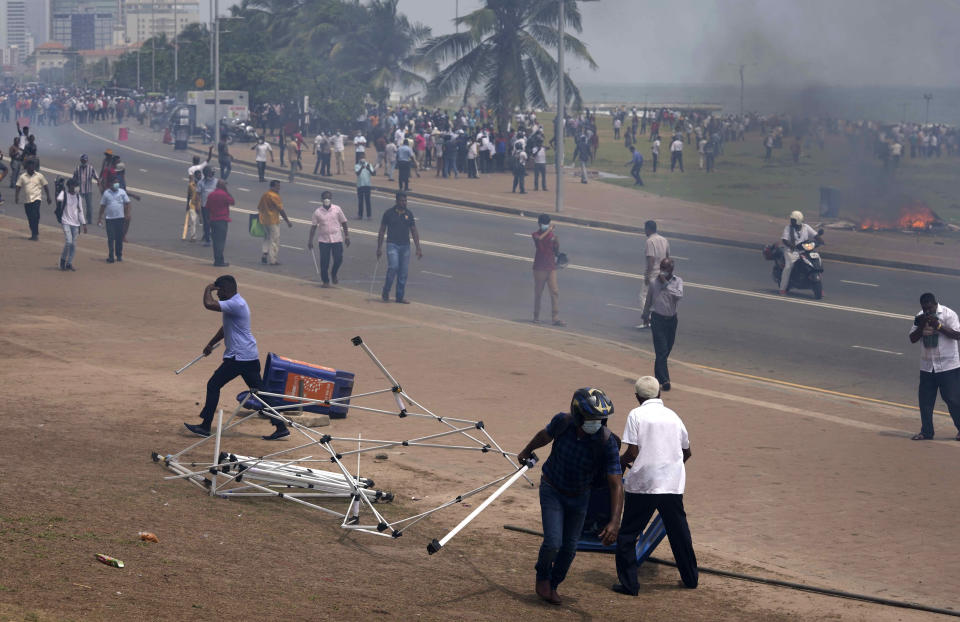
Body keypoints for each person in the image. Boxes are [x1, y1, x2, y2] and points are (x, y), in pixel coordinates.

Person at [516, 388, 623, 606]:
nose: (597, 423)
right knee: (554, 541)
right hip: (552, 489)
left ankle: (554, 584)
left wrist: (614, 521)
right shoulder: (562, 422)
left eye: (600, 420)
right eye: (592, 419)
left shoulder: (607, 441)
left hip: (580, 496)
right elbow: (544, 436)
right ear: (578, 415)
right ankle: (542, 575)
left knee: (570, 548)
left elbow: (616, 483)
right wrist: (526, 451)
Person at [613, 376, 697, 596]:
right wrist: (671, 469)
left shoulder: (636, 414)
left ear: (638, 397)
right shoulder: (673, 416)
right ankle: (690, 579)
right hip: (671, 486)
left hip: (644, 485)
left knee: (628, 535)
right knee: (679, 533)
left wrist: (619, 465)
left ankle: (629, 585)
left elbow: (632, 452)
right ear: (660, 394)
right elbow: (687, 451)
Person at [184, 276, 290, 441]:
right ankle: (281, 427)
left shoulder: (236, 303)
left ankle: (205, 426)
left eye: (219, 291)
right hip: (248, 356)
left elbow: (208, 304)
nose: (217, 295)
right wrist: (211, 344)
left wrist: (208, 288)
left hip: (239, 358)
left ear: (226, 289)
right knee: (261, 393)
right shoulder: (235, 304)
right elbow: (226, 327)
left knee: (213, 385)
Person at [909, 293, 960, 441]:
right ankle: (926, 432)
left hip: (948, 366)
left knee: (953, 399)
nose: (927, 312)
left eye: (929, 309)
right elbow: (912, 338)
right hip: (927, 366)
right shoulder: (920, 316)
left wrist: (938, 325)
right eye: (924, 309)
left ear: (935, 304)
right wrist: (922, 325)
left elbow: (957, 334)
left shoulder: (948, 314)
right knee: (925, 401)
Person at [641, 258, 683, 390]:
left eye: (665, 268)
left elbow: (679, 295)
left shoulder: (678, 281)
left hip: (671, 320)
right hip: (657, 319)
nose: (662, 271)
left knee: (666, 350)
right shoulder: (654, 283)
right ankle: (665, 381)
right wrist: (645, 314)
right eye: (661, 268)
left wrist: (666, 284)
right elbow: (648, 300)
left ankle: (658, 377)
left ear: (671, 270)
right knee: (662, 350)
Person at [376, 192, 422, 304]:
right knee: (393, 267)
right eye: (402, 201)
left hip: (405, 246)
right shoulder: (388, 213)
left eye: (405, 201)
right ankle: (386, 291)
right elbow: (382, 230)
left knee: (403, 272)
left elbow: (414, 231)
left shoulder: (409, 214)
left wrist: (418, 248)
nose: (404, 203)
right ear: (396, 201)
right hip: (392, 245)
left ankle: (399, 297)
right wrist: (379, 248)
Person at [307, 190, 350, 288]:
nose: (327, 200)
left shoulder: (337, 209)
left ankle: (334, 273)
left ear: (331, 199)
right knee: (324, 262)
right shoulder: (317, 212)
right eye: (325, 198)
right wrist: (310, 240)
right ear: (322, 199)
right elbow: (313, 227)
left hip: (337, 239)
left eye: (329, 198)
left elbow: (344, 222)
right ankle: (325, 281)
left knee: (338, 259)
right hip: (324, 240)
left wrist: (347, 236)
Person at [531, 214, 565, 326]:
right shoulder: (536, 234)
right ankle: (536, 317)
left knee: (554, 292)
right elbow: (540, 239)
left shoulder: (552, 235)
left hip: (551, 268)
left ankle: (555, 318)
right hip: (539, 268)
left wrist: (557, 242)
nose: (547, 226)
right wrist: (549, 230)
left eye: (548, 224)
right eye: (545, 224)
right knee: (538, 293)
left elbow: (556, 250)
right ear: (539, 224)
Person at [638, 220, 670, 329]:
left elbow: (651, 260)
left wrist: (647, 275)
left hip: (653, 274)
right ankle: (656, 320)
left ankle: (647, 320)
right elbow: (667, 258)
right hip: (662, 274)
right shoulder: (664, 240)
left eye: (645, 229)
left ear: (649, 229)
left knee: (644, 296)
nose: (644, 231)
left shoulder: (650, 241)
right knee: (657, 298)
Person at [779, 210, 819, 295]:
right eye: (791, 219)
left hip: (804, 250)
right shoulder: (788, 228)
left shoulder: (806, 227)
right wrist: (791, 246)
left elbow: (815, 235)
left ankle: (818, 287)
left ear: (798, 220)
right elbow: (784, 239)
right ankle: (782, 288)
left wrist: (821, 241)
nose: (791, 221)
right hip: (791, 251)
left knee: (814, 263)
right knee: (788, 267)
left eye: (793, 220)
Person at [256, 180, 293, 265]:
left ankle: (264, 254)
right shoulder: (275, 196)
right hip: (273, 220)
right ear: (272, 186)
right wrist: (287, 221)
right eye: (277, 186)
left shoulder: (265, 194)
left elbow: (259, 207)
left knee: (266, 237)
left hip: (264, 220)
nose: (279, 188)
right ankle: (273, 260)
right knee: (274, 240)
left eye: (279, 186)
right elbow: (281, 209)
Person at [14, 158, 51, 240]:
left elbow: (45, 186)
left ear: (34, 167)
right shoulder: (22, 177)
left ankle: (35, 234)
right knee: (30, 217)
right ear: (27, 167)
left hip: (37, 199)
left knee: (35, 215)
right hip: (27, 200)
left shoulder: (39, 176)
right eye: (29, 166)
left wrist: (48, 197)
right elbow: (18, 186)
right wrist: (16, 197)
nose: (31, 167)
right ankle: (34, 233)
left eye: (33, 166)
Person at [96, 180, 130, 262]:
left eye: (117, 183)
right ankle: (111, 256)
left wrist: (127, 214)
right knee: (111, 238)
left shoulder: (122, 192)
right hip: (109, 219)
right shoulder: (106, 193)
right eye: (114, 183)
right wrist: (99, 218)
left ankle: (119, 255)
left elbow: (127, 203)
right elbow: (102, 206)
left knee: (119, 238)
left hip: (120, 218)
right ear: (110, 184)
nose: (116, 184)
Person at [57, 178, 86, 271]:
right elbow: (57, 199)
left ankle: (69, 263)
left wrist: (84, 223)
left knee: (73, 244)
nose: (77, 188)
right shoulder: (64, 194)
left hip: (76, 223)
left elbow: (80, 211)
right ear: (70, 186)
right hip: (66, 221)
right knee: (69, 241)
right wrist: (59, 188)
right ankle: (62, 260)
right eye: (75, 186)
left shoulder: (78, 197)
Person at [206, 180, 234, 267]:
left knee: (215, 241)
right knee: (221, 242)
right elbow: (232, 202)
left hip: (213, 220)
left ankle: (218, 259)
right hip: (222, 220)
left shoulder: (211, 194)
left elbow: (207, 207)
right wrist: (227, 192)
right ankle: (219, 261)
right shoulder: (224, 194)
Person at [73, 154, 99, 225]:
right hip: (79, 190)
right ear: (81, 161)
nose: (84, 162)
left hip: (88, 190)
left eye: (85, 160)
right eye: (82, 160)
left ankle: (89, 220)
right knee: (78, 205)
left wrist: (98, 182)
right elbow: (74, 179)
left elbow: (96, 177)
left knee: (89, 206)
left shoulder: (91, 168)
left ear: (87, 160)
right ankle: (78, 219)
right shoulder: (77, 168)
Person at [185, 170, 201, 242]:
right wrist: (187, 205)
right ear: (195, 176)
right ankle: (193, 236)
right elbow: (189, 195)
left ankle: (206, 236)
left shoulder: (202, 184)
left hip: (201, 205)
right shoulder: (191, 185)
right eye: (198, 175)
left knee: (204, 222)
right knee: (193, 221)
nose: (199, 176)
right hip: (193, 205)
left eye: (200, 175)